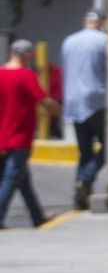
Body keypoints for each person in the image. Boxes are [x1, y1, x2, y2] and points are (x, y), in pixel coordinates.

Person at [0, 39, 61, 229]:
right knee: (11, 177)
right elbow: (42, 99)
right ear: (27, 56)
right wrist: (57, 108)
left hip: (2, 136)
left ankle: (37, 216)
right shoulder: (26, 75)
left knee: (23, 179)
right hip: (19, 136)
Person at [61, 9, 108, 209]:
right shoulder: (105, 40)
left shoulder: (68, 41)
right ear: (102, 22)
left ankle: (80, 197)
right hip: (97, 100)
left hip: (73, 101)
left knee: (85, 151)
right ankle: (85, 179)